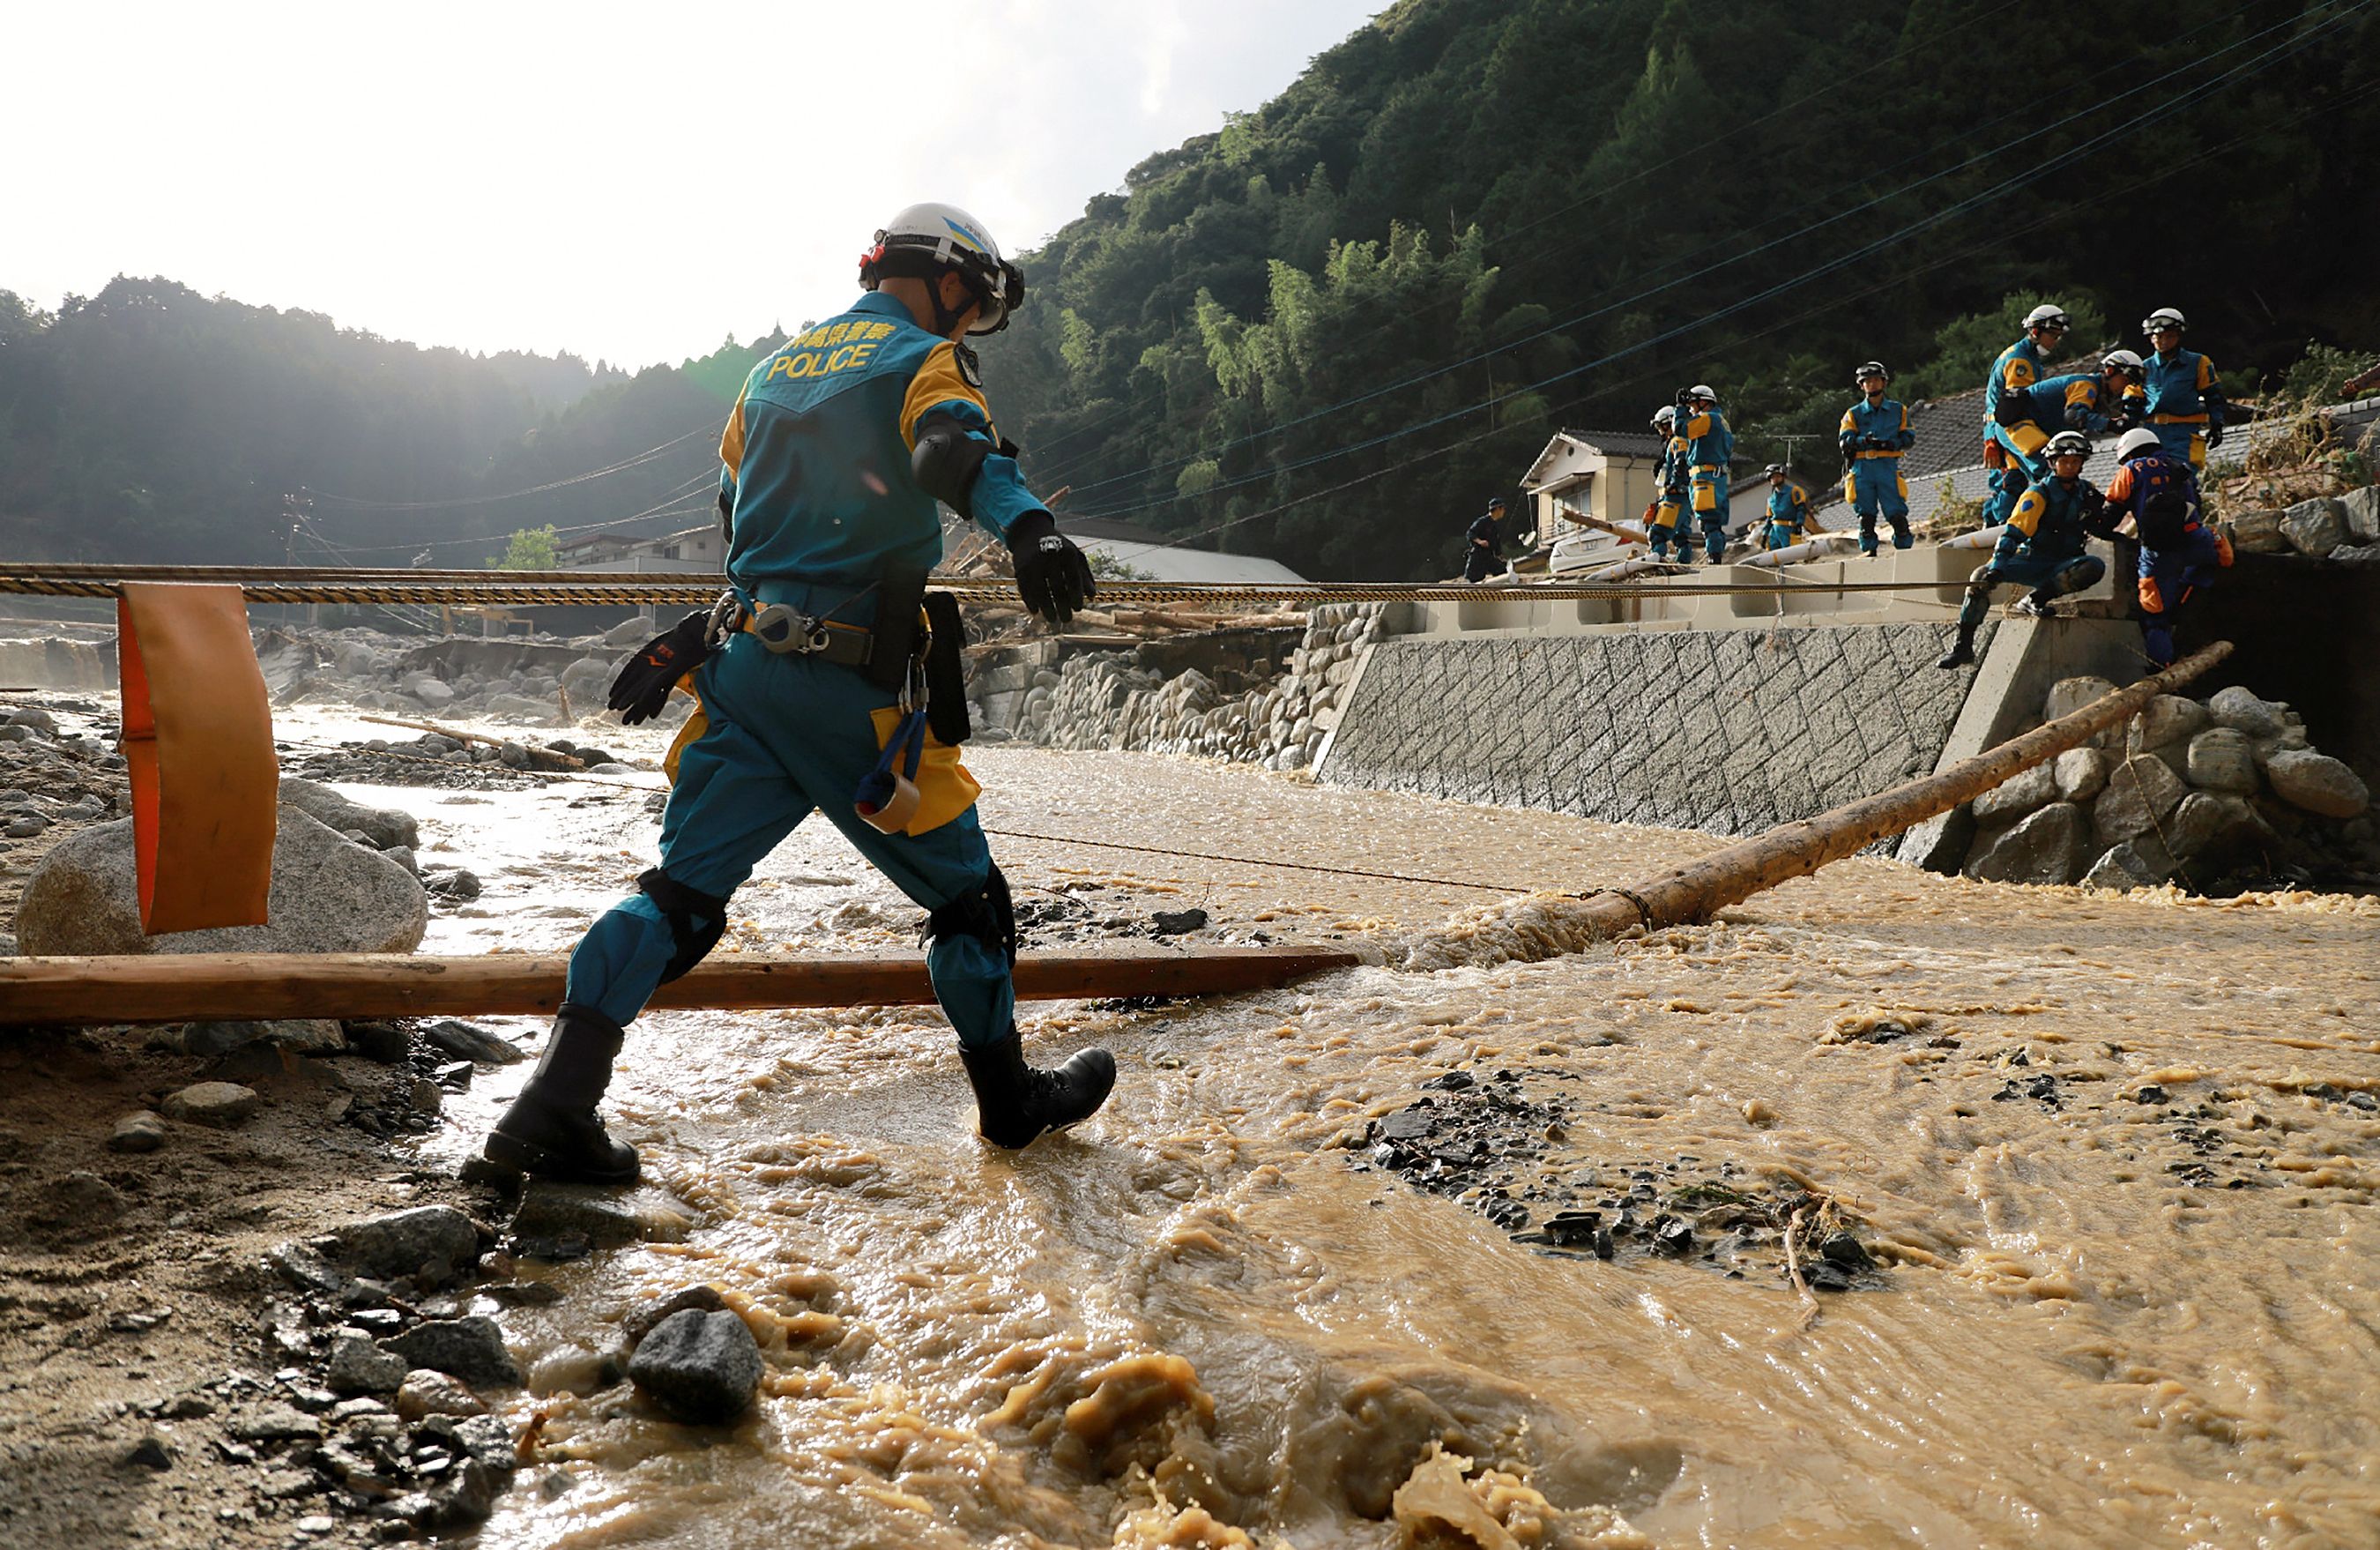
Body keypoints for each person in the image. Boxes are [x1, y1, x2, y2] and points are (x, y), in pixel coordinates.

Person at [482, 203, 1114, 1184]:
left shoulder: (768, 375)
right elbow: (950, 453)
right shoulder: (921, 357)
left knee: (679, 900)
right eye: (971, 303)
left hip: (740, 673)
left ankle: (545, 1111)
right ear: (948, 280)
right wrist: (1031, 528)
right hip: (847, 690)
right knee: (969, 903)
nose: (967, 324)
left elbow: (738, 523)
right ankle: (1009, 1106)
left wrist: (706, 631)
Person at [1938, 429, 2119, 669]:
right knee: (1980, 577)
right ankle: (1963, 647)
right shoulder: (2038, 493)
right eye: (2064, 461)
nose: (2069, 466)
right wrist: (1998, 567)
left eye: (2075, 462)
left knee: (2094, 566)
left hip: (2063, 564)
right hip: (2032, 559)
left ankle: (2034, 600)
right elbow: (2013, 532)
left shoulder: (2087, 493)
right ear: (2053, 463)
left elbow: (2100, 524)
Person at [2105, 424, 2231, 667]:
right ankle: (2182, 601)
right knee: (2208, 566)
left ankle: (2161, 667)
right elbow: (2198, 507)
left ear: (2128, 454)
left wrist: (2100, 531)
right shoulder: (2181, 468)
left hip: (2160, 552)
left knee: (2153, 617)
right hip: (2199, 542)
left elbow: (2111, 513)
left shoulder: (2132, 469)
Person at [1981, 303, 2071, 530]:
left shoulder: (2024, 356)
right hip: (2011, 427)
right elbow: (2015, 405)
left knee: (2015, 480)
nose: (2055, 341)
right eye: (2052, 335)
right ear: (2036, 331)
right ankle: (1998, 525)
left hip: (2006, 425)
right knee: (2013, 482)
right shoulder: (2020, 362)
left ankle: (1999, 522)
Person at [1837, 361, 1915, 554]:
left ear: (1883, 382)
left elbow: (1909, 436)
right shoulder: (1853, 414)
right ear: (1861, 385)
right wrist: (1864, 441)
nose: (1871, 384)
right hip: (1863, 466)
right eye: (1867, 381)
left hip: (1887, 465)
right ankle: (1869, 551)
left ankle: (1904, 550)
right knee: (1866, 517)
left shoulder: (1899, 410)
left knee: (1897, 514)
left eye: (1875, 380)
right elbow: (1844, 440)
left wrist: (1891, 443)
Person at [2138, 308, 2228, 469]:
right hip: (2151, 434)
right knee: (2151, 481)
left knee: (2183, 479)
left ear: (2179, 336)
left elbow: (2214, 397)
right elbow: (2133, 402)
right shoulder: (2143, 368)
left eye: (2169, 336)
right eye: (2158, 336)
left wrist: (2217, 424)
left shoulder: (2198, 363)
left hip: (2184, 435)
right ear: (2151, 338)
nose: (2163, 341)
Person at [1677, 384, 1733, 562]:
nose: (1691, 408)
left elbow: (1681, 430)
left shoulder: (1708, 418)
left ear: (1703, 402)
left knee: (1708, 523)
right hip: (1717, 476)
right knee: (1714, 523)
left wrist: (1679, 409)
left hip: (1706, 477)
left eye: (1693, 404)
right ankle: (1716, 557)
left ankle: (1714, 560)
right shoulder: (1721, 421)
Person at [1644, 405, 1694, 563]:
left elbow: (1681, 463)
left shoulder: (1678, 440)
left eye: (1662, 426)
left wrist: (1673, 484)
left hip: (1675, 495)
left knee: (1657, 534)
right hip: (1684, 495)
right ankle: (1683, 567)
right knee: (1681, 536)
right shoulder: (1680, 441)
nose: (1661, 431)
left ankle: (1657, 564)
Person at [1760, 464, 1818, 549]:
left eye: (1777, 476)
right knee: (1774, 556)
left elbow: (1801, 508)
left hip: (1790, 529)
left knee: (1790, 556)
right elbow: (1769, 519)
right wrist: (1765, 534)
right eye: (1772, 477)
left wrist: (1799, 524)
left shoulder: (1794, 491)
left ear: (1783, 477)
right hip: (1775, 531)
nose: (1775, 479)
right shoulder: (1771, 499)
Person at [1465, 496, 1508, 582]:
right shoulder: (1482, 521)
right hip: (1478, 557)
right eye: (1503, 509)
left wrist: (1500, 556)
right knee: (1474, 582)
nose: (1504, 511)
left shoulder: (1495, 525)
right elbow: (1470, 533)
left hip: (1489, 557)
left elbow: (1496, 543)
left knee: (1503, 572)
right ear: (1497, 509)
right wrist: (1480, 541)